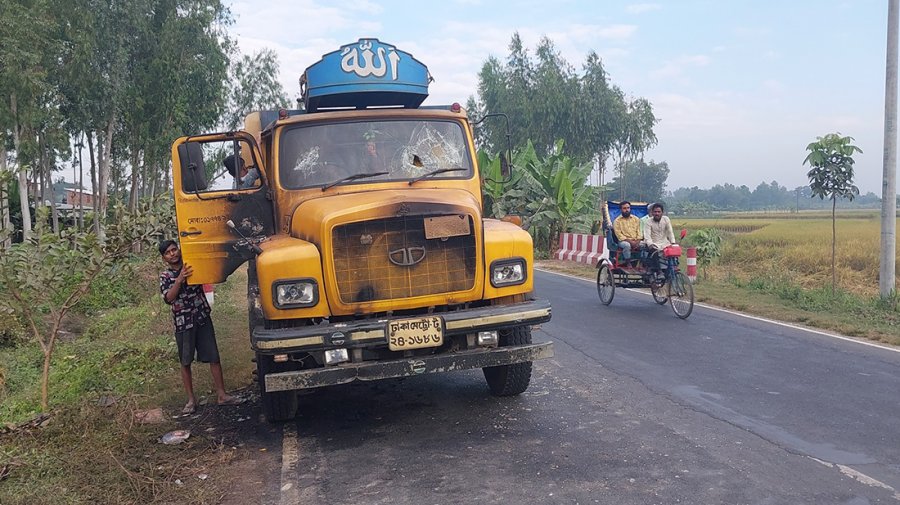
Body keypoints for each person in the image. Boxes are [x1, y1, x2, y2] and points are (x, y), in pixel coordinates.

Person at [158, 240, 241, 414]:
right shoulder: (165, 277)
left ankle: (222, 395)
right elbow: (169, 298)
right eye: (168, 252)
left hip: (201, 317)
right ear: (164, 258)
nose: (172, 254)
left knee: (213, 356)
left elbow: (210, 274)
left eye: (174, 249)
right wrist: (180, 280)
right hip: (183, 322)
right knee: (185, 361)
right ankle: (190, 400)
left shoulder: (192, 266)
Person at [642, 203, 677, 279]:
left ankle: (673, 268)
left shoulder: (666, 219)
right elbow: (647, 236)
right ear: (652, 213)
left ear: (662, 212)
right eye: (655, 212)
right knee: (654, 251)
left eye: (659, 212)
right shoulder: (648, 222)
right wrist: (650, 244)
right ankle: (659, 271)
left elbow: (670, 232)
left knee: (674, 251)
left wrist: (673, 242)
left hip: (665, 243)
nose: (657, 213)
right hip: (652, 243)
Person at [612, 201, 643, 265]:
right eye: (624, 208)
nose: (627, 210)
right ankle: (628, 262)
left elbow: (639, 231)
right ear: (621, 209)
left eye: (628, 208)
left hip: (636, 240)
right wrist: (631, 242)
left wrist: (638, 241)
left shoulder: (636, 219)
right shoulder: (617, 221)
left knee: (645, 245)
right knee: (627, 245)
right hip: (623, 241)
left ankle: (643, 263)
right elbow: (619, 235)